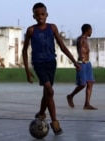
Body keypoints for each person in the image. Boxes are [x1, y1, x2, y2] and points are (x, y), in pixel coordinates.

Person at [22, 2, 80, 135]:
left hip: (51, 63)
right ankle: (55, 123)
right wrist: (27, 71)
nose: (40, 17)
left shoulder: (52, 28)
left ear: (46, 15)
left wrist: (74, 61)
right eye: (38, 15)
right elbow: (24, 51)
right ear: (34, 17)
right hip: (38, 64)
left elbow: (62, 46)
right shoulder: (31, 30)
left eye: (43, 14)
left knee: (47, 93)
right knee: (49, 89)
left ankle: (42, 112)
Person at [66, 24, 97, 110]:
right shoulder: (80, 39)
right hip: (81, 63)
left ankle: (87, 104)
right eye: (91, 30)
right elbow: (80, 50)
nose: (91, 32)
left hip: (88, 64)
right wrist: (79, 62)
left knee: (90, 83)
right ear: (87, 30)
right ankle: (70, 96)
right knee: (82, 84)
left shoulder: (86, 40)